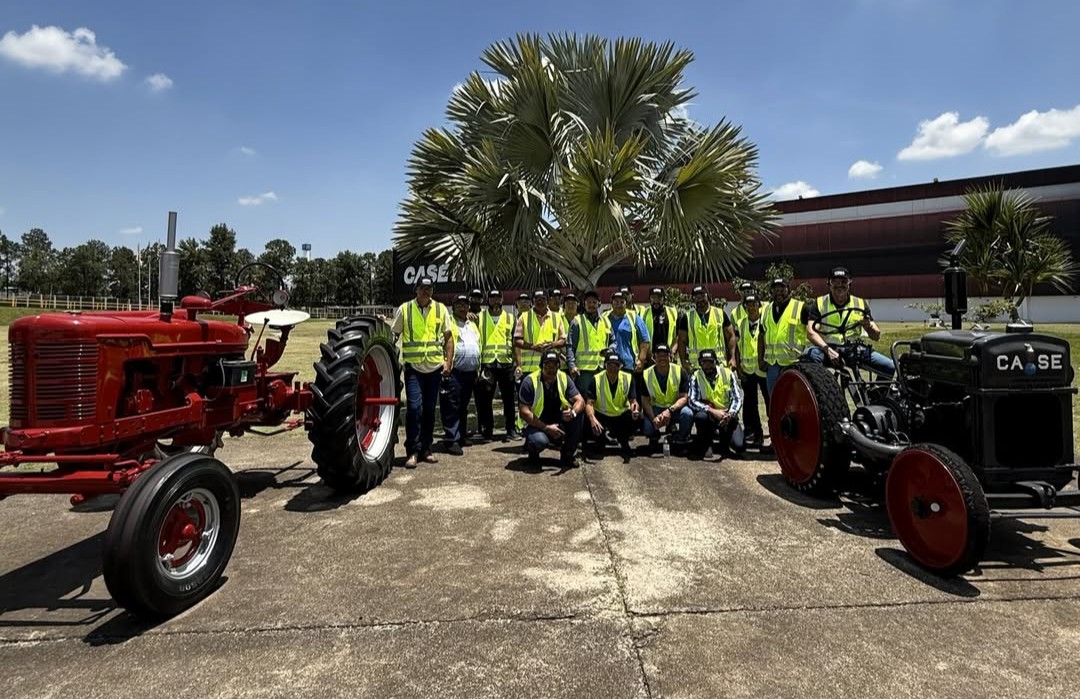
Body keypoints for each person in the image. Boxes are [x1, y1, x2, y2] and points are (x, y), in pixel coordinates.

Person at [391, 275, 453, 468]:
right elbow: (394, 335)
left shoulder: (441, 309)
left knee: (428, 411)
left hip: (434, 369)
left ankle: (426, 448)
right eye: (422, 288)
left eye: (429, 288)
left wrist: (448, 363)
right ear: (416, 290)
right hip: (414, 369)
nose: (426, 291)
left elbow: (448, 338)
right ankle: (412, 451)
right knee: (414, 409)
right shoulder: (405, 309)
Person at [805, 267, 896, 377]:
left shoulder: (860, 303)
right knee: (811, 355)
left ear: (849, 283)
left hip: (854, 349)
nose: (839, 285)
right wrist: (827, 349)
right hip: (827, 349)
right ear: (829, 284)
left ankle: (877, 394)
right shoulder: (819, 303)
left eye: (843, 281)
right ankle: (823, 389)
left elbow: (876, 336)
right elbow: (811, 332)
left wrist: (868, 327)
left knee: (890, 366)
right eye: (835, 282)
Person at [517, 351, 586, 470]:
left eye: (554, 366)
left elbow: (580, 401)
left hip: (558, 421)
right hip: (537, 424)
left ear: (558, 367)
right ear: (541, 367)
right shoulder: (530, 381)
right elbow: (524, 412)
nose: (551, 369)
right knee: (538, 441)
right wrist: (546, 428)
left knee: (579, 415)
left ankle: (567, 455)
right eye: (547, 366)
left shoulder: (564, 378)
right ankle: (533, 454)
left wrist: (572, 413)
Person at [476, 289, 519, 441]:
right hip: (487, 364)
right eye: (492, 297)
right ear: (488, 300)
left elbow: (515, 343)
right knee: (485, 400)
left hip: (505, 363)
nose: (495, 300)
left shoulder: (510, 318)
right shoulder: (480, 317)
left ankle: (511, 429)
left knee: (508, 399)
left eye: (497, 297)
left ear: (502, 299)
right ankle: (487, 430)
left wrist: (517, 363)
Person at [440, 295, 481, 455]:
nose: (462, 307)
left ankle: (461, 435)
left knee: (463, 406)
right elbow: (444, 344)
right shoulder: (448, 322)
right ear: (453, 306)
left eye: (465, 304)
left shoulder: (472, 324)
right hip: (454, 371)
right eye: (459, 304)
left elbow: (478, 343)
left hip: (470, 372)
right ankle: (451, 440)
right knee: (452, 405)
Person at [688, 350, 745, 460]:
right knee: (700, 416)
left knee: (740, 446)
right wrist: (711, 411)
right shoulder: (696, 376)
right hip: (709, 415)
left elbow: (737, 398)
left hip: (727, 414)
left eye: (711, 362)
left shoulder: (727, 374)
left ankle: (724, 443)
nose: (708, 366)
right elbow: (692, 400)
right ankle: (706, 443)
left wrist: (730, 414)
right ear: (700, 363)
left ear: (716, 362)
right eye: (704, 363)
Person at [758, 278, 810, 397]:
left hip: (793, 363)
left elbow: (812, 332)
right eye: (775, 289)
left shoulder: (801, 308)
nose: (779, 292)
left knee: (793, 397)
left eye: (782, 288)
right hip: (772, 365)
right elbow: (761, 336)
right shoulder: (765, 310)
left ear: (789, 290)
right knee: (775, 399)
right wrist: (760, 360)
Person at [585, 351, 640, 462]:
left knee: (638, 418)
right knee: (586, 419)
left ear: (620, 366)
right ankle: (600, 442)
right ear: (605, 366)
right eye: (609, 365)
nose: (612, 368)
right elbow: (589, 404)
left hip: (620, 415)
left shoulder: (628, 378)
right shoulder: (596, 379)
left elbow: (633, 401)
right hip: (602, 415)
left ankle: (624, 443)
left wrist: (635, 409)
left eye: (616, 365)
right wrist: (592, 419)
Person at [640, 344, 694, 453]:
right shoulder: (646, 374)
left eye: (665, 355)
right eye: (659, 356)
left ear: (670, 357)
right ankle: (654, 438)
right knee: (646, 425)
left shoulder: (680, 371)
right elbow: (645, 400)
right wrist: (653, 418)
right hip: (657, 408)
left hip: (674, 408)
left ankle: (680, 439)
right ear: (653, 358)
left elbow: (684, 397)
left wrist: (670, 410)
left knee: (688, 414)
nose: (662, 358)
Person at [733, 294, 768, 448]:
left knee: (769, 403)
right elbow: (737, 348)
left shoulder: (766, 321)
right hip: (747, 370)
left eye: (754, 304)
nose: (751, 307)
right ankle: (757, 434)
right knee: (751, 405)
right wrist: (739, 368)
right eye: (748, 305)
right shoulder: (740, 323)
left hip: (763, 370)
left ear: (759, 305)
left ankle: (773, 434)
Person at [678, 285, 736, 372]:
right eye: (696, 297)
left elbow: (730, 335)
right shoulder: (687, 317)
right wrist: (683, 361)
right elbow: (682, 341)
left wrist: (732, 357)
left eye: (702, 296)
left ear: (708, 296)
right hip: (697, 366)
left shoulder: (720, 313)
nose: (700, 299)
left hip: (718, 364)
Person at [566, 289, 612, 397]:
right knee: (585, 399)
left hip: (602, 368)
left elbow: (613, 341)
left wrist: (611, 349)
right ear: (584, 304)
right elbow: (570, 346)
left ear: (599, 304)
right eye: (589, 302)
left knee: (601, 399)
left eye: (594, 302)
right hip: (584, 371)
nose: (591, 305)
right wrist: (572, 366)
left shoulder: (605, 321)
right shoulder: (577, 322)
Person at [514, 289, 566, 378]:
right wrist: (532, 346)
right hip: (529, 369)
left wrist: (553, 344)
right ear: (532, 301)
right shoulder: (524, 317)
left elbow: (563, 340)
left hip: (551, 368)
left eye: (542, 299)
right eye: (537, 299)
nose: (540, 302)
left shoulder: (556, 317)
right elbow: (517, 340)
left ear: (548, 300)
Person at [607, 290, 651, 375]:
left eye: (622, 302)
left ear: (626, 303)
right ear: (611, 304)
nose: (619, 305)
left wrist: (641, 360)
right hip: (610, 364)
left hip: (629, 365)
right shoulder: (604, 317)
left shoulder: (634, 317)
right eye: (616, 302)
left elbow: (645, 341)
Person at [641, 287, 678, 359]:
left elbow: (677, 336)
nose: (656, 301)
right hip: (650, 357)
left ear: (664, 298)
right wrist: (648, 355)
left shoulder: (672, 312)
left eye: (659, 298)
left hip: (668, 355)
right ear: (649, 298)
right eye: (653, 298)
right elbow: (640, 337)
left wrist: (672, 351)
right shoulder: (644, 313)